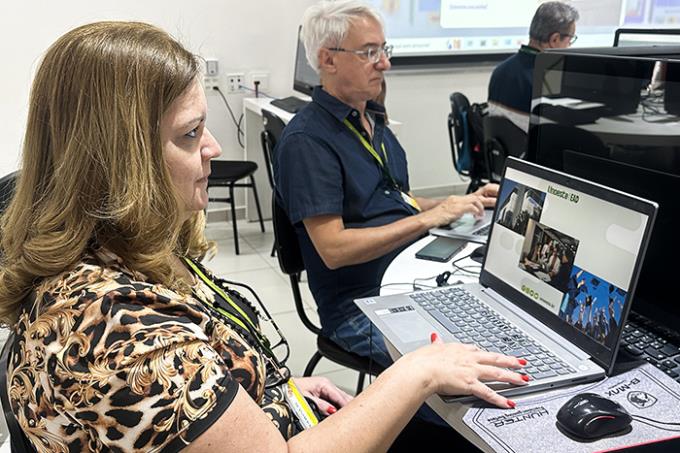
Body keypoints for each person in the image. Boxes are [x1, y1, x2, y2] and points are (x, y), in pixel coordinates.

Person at [0, 21, 528, 452]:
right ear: (118, 161)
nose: (212, 147)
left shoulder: (132, 252)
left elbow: (202, 383)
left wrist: (278, 393)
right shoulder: (115, 333)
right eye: (188, 134)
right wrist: (418, 372)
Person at [274, 0, 499, 370]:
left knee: (495, 327)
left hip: (410, 276)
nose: (385, 63)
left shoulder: (372, 118)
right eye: (369, 52)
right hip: (361, 305)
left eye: (383, 50)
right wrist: (431, 218)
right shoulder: (308, 141)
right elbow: (334, 249)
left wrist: (457, 201)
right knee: (460, 372)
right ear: (328, 60)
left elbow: (394, 200)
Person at [487, 1, 580, 131]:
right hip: (531, 149)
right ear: (554, 39)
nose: (569, 46)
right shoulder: (546, 79)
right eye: (570, 40)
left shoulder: (500, 70)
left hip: (503, 149)